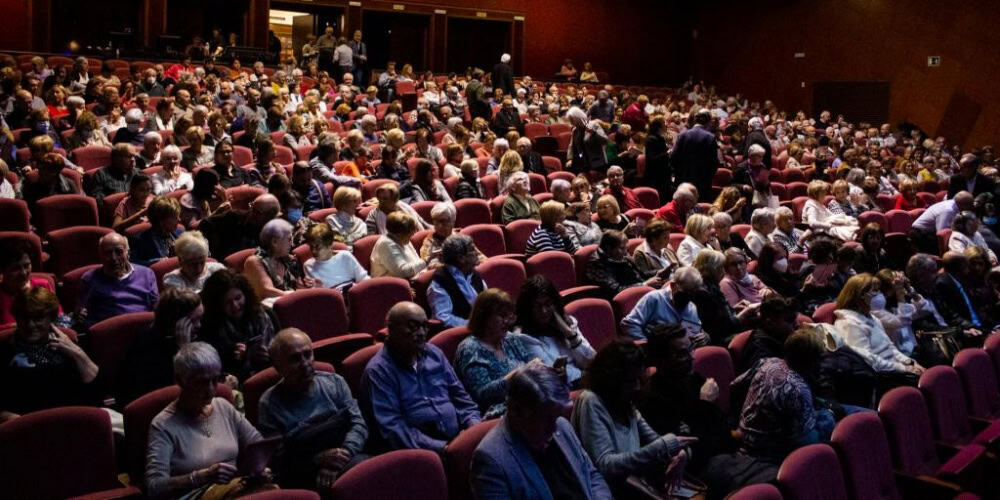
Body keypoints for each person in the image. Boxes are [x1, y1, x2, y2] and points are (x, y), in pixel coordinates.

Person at [144, 343, 274, 499]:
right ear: (179, 380)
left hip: (237, 489)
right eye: (201, 382)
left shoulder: (223, 407)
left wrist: (259, 467)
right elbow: (154, 486)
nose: (211, 388)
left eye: (215, 380)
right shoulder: (163, 425)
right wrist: (201, 477)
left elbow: (258, 445)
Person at [470, 362, 613, 500]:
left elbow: (592, 476)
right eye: (545, 418)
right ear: (516, 413)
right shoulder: (491, 460)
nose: (554, 428)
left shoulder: (562, 426)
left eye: (556, 417)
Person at [572, 340, 693, 496]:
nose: (637, 387)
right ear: (612, 379)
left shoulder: (626, 403)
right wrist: (663, 447)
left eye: (639, 379)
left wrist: (679, 454)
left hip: (634, 487)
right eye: (631, 381)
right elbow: (605, 465)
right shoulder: (591, 401)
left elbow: (656, 440)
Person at [258, 328, 368, 490]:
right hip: (305, 471)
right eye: (295, 359)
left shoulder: (335, 382)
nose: (305, 364)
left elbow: (359, 424)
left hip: (349, 455)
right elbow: (277, 458)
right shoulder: (269, 404)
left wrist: (341, 456)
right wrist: (317, 460)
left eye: (308, 354)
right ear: (278, 366)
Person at [364, 302, 481, 451]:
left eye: (425, 326)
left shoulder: (435, 354)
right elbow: (394, 429)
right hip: (421, 454)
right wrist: (445, 448)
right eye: (413, 326)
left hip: (459, 440)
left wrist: (473, 429)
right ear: (391, 329)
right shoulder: (379, 371)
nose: (421, 332)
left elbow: (462, 400)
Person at [0, 287, 100, 416]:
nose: (30, 325)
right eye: (24, 318)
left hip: (71, 419)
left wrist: (77, 353)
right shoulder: (4, 350)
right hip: (24, 425)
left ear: (51, 319)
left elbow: (96, 392)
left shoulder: (67, 346)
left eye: (38, 318)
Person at [737, 328, 830, 462]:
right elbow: (809, 442)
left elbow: (735, 386)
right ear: (812, 362)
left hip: (745, 438)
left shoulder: (767, 363)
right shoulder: (798, 389)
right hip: (768, 455)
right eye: (820, 359)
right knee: (829, 420)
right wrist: (829, 416)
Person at [455, 289, 540, 418]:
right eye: (502, 316)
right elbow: (482, 395)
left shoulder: (510, 339)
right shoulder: (470, 349)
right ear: (483, 317)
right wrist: (517, 376)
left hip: (527, 401)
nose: (507, 321)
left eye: (509, 316)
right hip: (499, 413)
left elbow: (529, 364)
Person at [117, 288, 202, 405]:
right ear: (176, 321)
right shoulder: (147, 345)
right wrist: (183, 350)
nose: (199, 325)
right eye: (193, 321)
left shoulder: (193, 336)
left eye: (200, 319)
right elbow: (174, 391)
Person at [833, 273, 924, 379]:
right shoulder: (849, 324)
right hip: (881, 376)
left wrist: (911, 363)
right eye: (875, 291)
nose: (880, 294)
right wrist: (903, 369)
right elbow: (868, 360)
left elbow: (890, 348)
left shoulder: (871, 317)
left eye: (879, 290)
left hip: (896, 367)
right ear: (861, 295)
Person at [514, 276, 595, 387]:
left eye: (548, 304)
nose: (544, 311)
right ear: (528, 308)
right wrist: (585, 375)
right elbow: (552, 375)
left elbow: (591, 361)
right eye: (537, 306)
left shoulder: (567, 323)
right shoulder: (523, 336)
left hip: (584, 381)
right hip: (564, 390)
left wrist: (568, 333)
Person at [199, 269, 277, 381]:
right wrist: (242, 359)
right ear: (217, 305)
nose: (235, 306)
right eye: (227, 302)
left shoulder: (264, 314)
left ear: (246, 294)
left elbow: (281, 348)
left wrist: (270, 354)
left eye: (238, 298)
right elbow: (217, 373)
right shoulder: (209, 329)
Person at [78, 233, 159, 329]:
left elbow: (156, 307)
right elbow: (81, 314)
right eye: (107, 253)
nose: (113, 258)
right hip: (111, 333)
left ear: (127, 253)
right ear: (100, 255)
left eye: (119, 252)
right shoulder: (89, 279)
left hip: (144, 330)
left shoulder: (146, 274)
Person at [620, 266, 707, 345]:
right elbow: (629, 324)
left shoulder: (691, 306)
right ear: (673, 286)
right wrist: (646, 345)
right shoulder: (654, 299)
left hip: (686, 354)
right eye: (685, 293)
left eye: (693, 293)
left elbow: (696, 328)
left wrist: (704, 336)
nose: (689, 298)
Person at [693, 249, 757, 345]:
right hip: (721, 339)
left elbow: (720, 316)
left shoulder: (711, 285)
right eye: (721, 268)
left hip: (726, 332)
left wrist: (734, 309)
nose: (724, 271)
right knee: (758, 335)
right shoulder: (704, 293)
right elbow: (725, 327)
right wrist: (745, 313)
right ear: (713, 269)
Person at [426, 234, 486, 328]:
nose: (477, 253)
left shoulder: (474, 274)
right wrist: (476, 325)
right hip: (460, 336)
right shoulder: (440, 282)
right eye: (472, 250)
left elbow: (487, 303)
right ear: (461, 258)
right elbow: (443, 318)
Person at [245, 219, 313, 301]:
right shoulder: (254, 261)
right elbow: (267, 291)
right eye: (289, 239)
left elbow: (298, 285)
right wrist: (299, 295)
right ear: (274, 242)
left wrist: (307, 285)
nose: (291, 244)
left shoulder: (285, 259)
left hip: (292, 302)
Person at [199, 193, 281, 260]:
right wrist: (214, 249)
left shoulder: (270, 235)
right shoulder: (234, 217)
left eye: (257, 212)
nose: (251, 212)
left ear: (269, 217)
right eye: (252, 206)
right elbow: (205, 223)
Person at [587, 230, 665, 300]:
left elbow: (641, 274)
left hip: (640, 294)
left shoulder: (620, 256)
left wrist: (658, 273)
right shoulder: (597, 264)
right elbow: (616, 290)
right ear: (609, 248)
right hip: (621, 302)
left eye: (626, 248)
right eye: (622, 248)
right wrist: (645, 284)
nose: (625, 253)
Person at [0, 239, 59, 330]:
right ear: (2, 270)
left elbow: (58, 319)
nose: (23, 273)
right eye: (16, 268)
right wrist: (15, 327)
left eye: (27, 265)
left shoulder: (43, 285)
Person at [302, 224, 368, 292]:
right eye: (311, 247)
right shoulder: (308, 266)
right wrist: (316, 288)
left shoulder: (345, 256)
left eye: (317, 247)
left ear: (330, 244)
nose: (313, 251)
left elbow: (364, 279)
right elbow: (316, 296)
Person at [671, 109, 718, 202]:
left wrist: (680, 173)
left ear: (695, 120)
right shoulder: (710, 137)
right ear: (708, 122)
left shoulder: (683, 135)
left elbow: (673, 158)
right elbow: (713, 164)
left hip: (682, 181)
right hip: (702, 184)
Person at [742, 295, 800, 371]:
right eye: (790, 320)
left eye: (796, 319)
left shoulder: (783, 337)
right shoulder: (760, 352)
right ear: (770, 323)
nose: (797, 324)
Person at [909, 191, 973, 255]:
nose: (971, 208)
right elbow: (942, 233)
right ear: (964, 204)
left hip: (929, 233)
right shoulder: (948, 210)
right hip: (920, 235)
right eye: (970, 205)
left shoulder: (954, 204)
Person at [162, 231, 226, 292]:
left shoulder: (217, 269)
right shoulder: (171, 280)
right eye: (192, 264)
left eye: (202, 262)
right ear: (181, 261)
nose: (198, 268)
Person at [370, 211, 427, 279]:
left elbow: (416, 261)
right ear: (400, 233)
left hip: (412, 279)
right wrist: (426, 261)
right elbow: (402, 272)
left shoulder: (402, 239)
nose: (413, 234)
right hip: (390, 286)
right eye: (411, 231)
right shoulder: (386, 244)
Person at [129, 196, 184, 266]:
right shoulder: (140, 240)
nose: (179, 220)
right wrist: (162, 261)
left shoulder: (180, 233)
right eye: (174, 217)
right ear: (161, 220)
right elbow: (134, 264)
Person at [365, 182, 430, 235]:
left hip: (413, 238)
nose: (381, 201)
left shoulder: (405, 207)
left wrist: (432, 230)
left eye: (385, 199)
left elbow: (421, 222)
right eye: (379, 198)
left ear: (394, 199)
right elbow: (370, 235)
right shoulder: (374, 214)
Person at [565, 106, 608, 175]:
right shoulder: (575, 130)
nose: (571, 123)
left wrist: (594, 133)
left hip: (597, 163)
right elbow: (571, 146)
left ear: (577, 118)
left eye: (572, 121)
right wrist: (570, 159)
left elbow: (605, 140)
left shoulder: (593, 125)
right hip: (583, 163)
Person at [644, 115, 672, 200]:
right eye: (664, 122)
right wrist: (667, 153)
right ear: (659, 126)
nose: (666, 124)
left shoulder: (660, 138)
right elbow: (652, 159)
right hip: (656, 177)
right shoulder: (652, 139)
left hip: (663, 175)